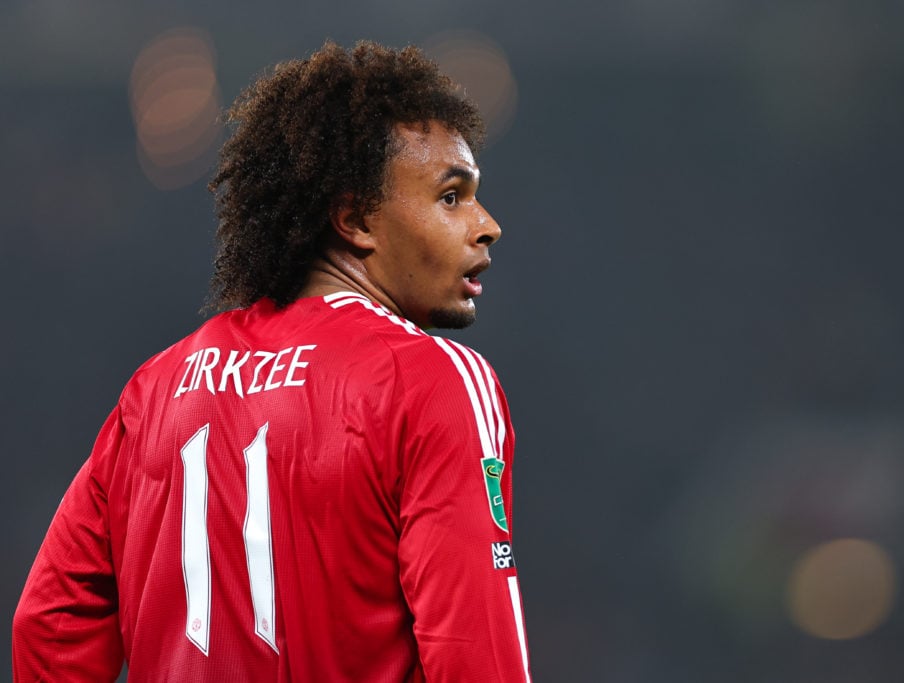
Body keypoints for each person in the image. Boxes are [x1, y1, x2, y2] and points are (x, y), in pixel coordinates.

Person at [12, 41, 531, 682]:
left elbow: (50, 623)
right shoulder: (432, 379)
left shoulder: (156, 388)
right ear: (356, 220)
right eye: (451, 196)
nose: (487, 224)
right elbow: (473, 651)